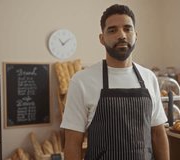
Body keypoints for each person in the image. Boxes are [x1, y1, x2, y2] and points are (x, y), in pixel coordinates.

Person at [60, 4, 169, 160]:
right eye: (112, 30)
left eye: (127, 28)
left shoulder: (149, 77)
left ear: (136, 35)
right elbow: (72, 142)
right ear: (102, 39)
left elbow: (158, 134)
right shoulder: (82, 81)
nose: (122, 35)